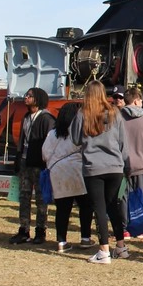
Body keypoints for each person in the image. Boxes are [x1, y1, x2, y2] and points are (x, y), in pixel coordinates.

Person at [71, 81, 129, 264]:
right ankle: (121, 247)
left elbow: (74, 138)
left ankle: (104, 250)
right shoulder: (115, 113)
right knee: (113, 206)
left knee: (100, 208)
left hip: (93, 167)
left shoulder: (82, 114)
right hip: (115, 166)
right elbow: (123, 142)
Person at [42, 103, 93, 253]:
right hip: (78, 171)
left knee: (63, 209)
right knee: (85, 207)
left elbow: (45, 154)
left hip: (57, 172)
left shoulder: (53, 133)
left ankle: (61, 242)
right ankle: (85, 238)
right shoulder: (80, 131)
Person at [113, 86, 143, 239]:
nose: (142, 103)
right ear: (136, 100)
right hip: (142, 164)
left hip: (122, 165)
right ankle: (141, 228)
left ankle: (125, 228)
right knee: (141, 196)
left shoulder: (116, 118)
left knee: (123, 197)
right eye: (141, 100)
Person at [10, 87, 55, 244]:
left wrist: (46, 163)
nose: (26, 97)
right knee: (24, 196)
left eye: (30, 96)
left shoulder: (46, 119)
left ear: (38, 99)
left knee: (41, 199)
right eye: (26, 95)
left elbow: (50, 143)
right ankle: (24, 230)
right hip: (24, 162)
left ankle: (40, 231)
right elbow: (21, 141)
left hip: (40, 165)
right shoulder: (26, 117)